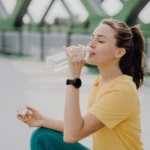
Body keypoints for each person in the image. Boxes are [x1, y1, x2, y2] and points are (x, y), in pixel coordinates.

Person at [17, 18, 146, 150]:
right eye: (92, 38)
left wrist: (73, 78)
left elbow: (72, 135)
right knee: (42, 136)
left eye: (100, 40)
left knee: (43, 137)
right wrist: (43, 120)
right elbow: (80, 126)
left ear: (119, 52)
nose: (91, 44)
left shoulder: (122, 90)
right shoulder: (100, 82)